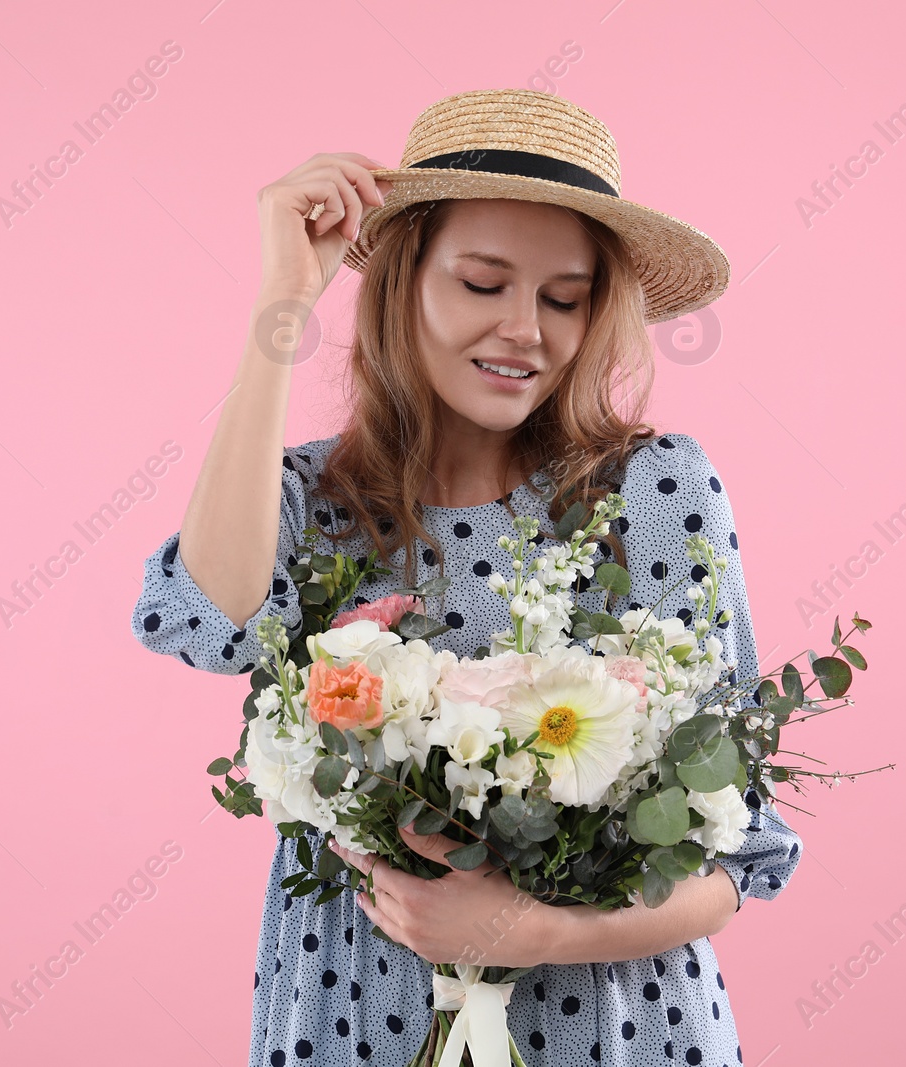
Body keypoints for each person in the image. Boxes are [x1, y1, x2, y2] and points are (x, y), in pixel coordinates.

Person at [130, 88, 803, 1067]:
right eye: (482, 282)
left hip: (614, 1028)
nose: (524, 328)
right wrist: (284, 302)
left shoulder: (656, 488)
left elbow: (737, 849)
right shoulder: (310, 501)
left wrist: (536, 934)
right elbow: (206, 620)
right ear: (405, 284)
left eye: (563, 298)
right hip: (350, 1014)